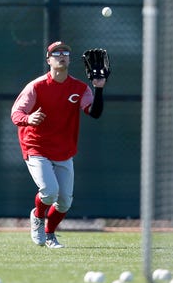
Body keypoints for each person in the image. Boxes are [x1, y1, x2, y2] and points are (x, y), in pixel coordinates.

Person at [11, 41, 106, 248]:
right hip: (36, 145)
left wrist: (98, 89)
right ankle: (37, 216)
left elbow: (94, 112)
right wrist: (28, 119)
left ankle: (50, 234)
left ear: (69, 60)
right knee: (49, 191)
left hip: (63, 150)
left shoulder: (80, 88)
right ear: (48, 60)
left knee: (64, 202)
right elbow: (16, 113)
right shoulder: (36, 86)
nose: (61, 55)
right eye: (56, 53)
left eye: (65, 53)